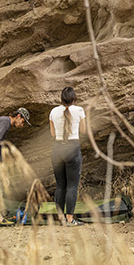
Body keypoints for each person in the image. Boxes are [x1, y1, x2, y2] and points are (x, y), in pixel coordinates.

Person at [49, 87, 86, 226]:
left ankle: (60, 218)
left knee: (60, 185)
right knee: (72, 186)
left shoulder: (53, 111)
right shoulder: (79, 110)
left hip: (57, 148)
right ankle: (70, 219)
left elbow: (53, 134)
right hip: (72, 147)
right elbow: (83, 130)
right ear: (74, 98)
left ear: (61, 99)